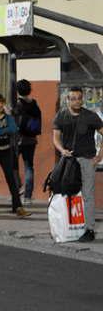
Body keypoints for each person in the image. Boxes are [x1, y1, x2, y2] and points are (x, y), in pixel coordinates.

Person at [53, 87, 103, 242]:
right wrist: (62, 150)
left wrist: (100, 155)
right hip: (68, 160)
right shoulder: (61, 116)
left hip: (87, 160)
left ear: (82, 99)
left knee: (87, 195)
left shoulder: (90, 116)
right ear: (67, 100)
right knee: (64, 191)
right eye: (73, 98)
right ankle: (69, 226)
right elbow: (55, 138)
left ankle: (89, 230)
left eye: (79, 98)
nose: (77, 101)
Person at [0, 94, 31, 219]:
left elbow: (14, 129)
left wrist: (5, 129)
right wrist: (6, 129)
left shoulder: (7, 117)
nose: (0, 105)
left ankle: (18, 207)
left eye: (2, 103)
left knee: (11, 179)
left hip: (5, 151)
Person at [13, 79, 42, 205]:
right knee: (29, 167)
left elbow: (14, 120)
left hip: (19, 139)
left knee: (13, 166)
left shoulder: (18, 104)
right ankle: (28, 197)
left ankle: (17, 190)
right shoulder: (34, 103)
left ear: (17, 90)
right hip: (31, 139)